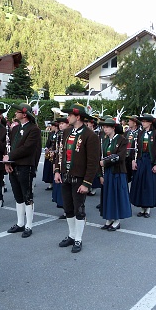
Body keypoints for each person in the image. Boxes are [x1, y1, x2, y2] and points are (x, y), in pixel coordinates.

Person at [54, 104, 100, 253]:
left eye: (69, 115)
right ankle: (71, 235)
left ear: (78, 117)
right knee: (68, 208)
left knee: (79, 209)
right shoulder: (66, 132)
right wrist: (56, 170)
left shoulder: (90, 135)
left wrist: (87, 183)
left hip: (80, 179)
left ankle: (78, 239)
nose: (67, 118)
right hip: (65, 176)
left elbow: (93, 162)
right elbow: (59, 153)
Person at [2, 103, 41, 238]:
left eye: (17, 112)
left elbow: (27, 148)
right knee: (18, 197)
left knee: (27, 196)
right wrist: (7, 162)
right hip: (14, 165)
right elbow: (10, 147)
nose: (15, 114)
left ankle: (29, 225)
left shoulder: (34, 129)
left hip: (26, 166)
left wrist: (10, 157)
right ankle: (20, 223)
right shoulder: (15, 128)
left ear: (24, 114)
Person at [98, 117, 131, 230]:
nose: (105, 129)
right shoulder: (105, 140)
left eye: (107, 127)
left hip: (117, 172)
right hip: (107, 172)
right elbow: (100, 155)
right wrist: (100, 174)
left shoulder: (122, 140)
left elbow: (120, 156)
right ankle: (109, 218)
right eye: (104, 127)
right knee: (108, 195)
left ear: (113, 128)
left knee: (116, 195)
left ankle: (117, 220)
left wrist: (105, 162)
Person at [130, 114, 156, 217]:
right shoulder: (140, 133)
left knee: (148, 184)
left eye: (145, 121)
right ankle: (141, 207)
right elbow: (135, 149)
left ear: (150, 123)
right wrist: (133, 161)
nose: (143, 123)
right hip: (141, 160)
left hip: (150, 161)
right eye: (142, 121)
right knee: (140, 183)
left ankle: (147, 208)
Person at [52, 117, 69, 218]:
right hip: (60, 163)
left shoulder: (69, 134)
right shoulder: (59, 135)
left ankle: (70, 210)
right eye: (60, 124)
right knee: (61, 188)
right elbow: (58, 151)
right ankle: (65, 209)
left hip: (68, 165)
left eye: (63, 123)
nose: (61, 125)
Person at [124, 115, 141, 185]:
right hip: (126, 157)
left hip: (135, 157)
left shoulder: (140, 133)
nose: (128, 122)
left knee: (135, 176)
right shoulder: (126, 133)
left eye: (130, 121)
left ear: (135, 123)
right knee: (127, 175)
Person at [42, 121, 58, 190]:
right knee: (48, 168)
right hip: (50, 153)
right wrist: (46, 149)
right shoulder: (51, 133)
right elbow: (48, 142)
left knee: (55, 168)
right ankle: (50, 183)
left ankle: (55, 183)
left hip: (55, 153)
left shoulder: (60, 134)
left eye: (52, 126)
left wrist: (53, 150)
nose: (51, 127)